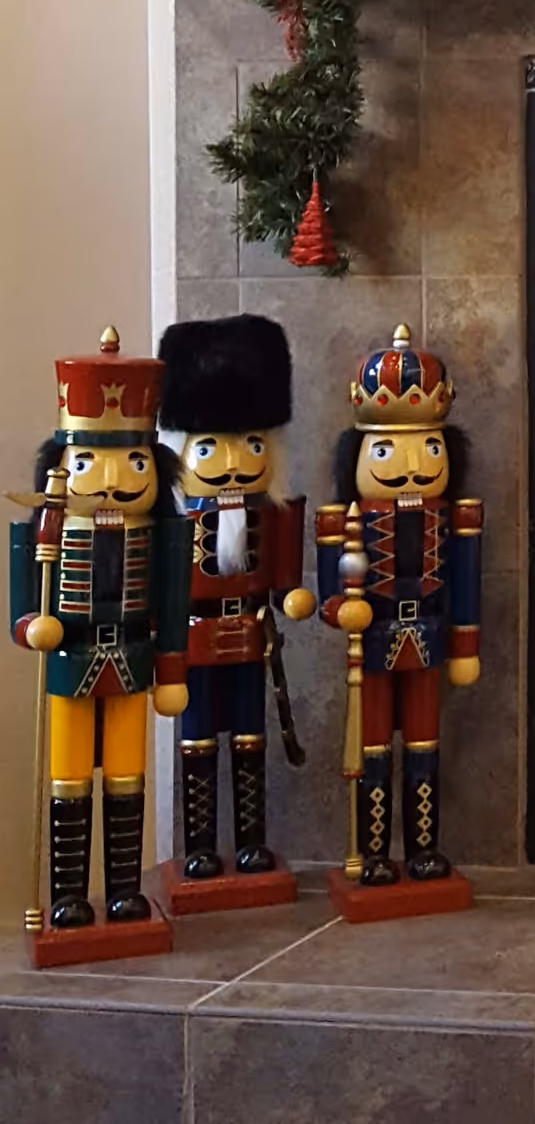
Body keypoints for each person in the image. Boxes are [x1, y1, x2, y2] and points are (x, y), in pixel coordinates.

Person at [10, 329, 190, 933]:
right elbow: (21, 605)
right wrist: (31, 623)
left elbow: (171, 599)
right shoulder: (42, 536)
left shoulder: (161, 536)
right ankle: (68, 896)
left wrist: (170, 669)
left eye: (133, 463)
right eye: (88, 463)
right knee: (67, 780)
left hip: (133, 659)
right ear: (61, 467)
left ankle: (121, 893)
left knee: (125, 778)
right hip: (71, 659)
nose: (111, 481)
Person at [315, 322, 482, 888]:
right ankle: (374, 852)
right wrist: (343, 610)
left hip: (429, 640)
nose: (411, 465)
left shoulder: (455, 518)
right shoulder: (343, 522)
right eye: (386, 450)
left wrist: (465, 643)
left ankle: (424, 850)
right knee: (371, 749)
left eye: (427, 448)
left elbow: (466, 583)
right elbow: (326, 595)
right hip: (375, 644)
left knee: (424, 745)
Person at [158, 312, 315, 886]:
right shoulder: (172, 525)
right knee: (197, 738)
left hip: (251, 635)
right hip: (195, 640)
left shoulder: (270, 513)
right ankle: (200, 845)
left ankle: (252, 841)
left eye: (249, 445)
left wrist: (293, 596)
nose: (231, 463)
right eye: (211, 449)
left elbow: (284, 575)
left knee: (250, 737)